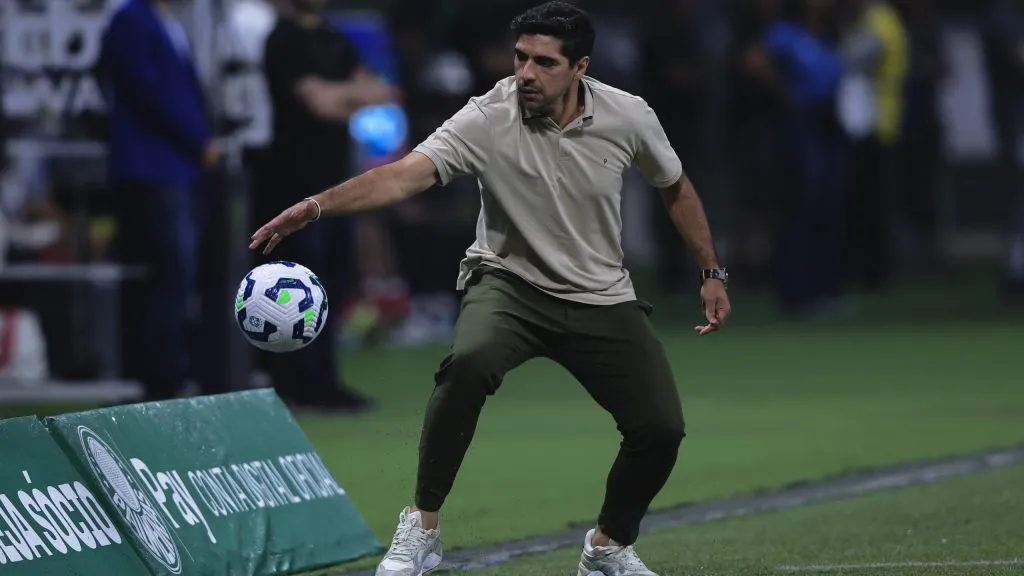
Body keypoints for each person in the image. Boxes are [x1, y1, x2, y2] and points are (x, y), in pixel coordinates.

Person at [250, 3, 730, 575]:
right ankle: (422, 527)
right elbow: (406, 173)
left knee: (661, 428)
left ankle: (607, 545)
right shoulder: (487, 116)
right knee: (470, 361)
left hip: (601, 295)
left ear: (580, 67)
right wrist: (316, 206)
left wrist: (710, 271)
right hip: (509, 283)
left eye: (544, 63)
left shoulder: (628, 115)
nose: (526, 73)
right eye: (520, 58)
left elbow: (674, 186)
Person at [258, 0, 391, 411]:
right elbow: (321, 104)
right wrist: (349, 95)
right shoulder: (283, 39)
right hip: (290, 182)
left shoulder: (333, 38)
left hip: (335, 187)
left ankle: (323, 382)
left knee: (332, 282)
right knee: (291, 287)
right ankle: (289, 385)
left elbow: (381, 91)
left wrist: (338, 94)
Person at [100, 0, 226, 401]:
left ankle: (177, 369)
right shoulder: (130, 19)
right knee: (169, 273)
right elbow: (148, 92)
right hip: (154, 167)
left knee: (180, 276)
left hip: (180, 169)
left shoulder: (167, 21)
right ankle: (159, 379)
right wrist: (198, 140)